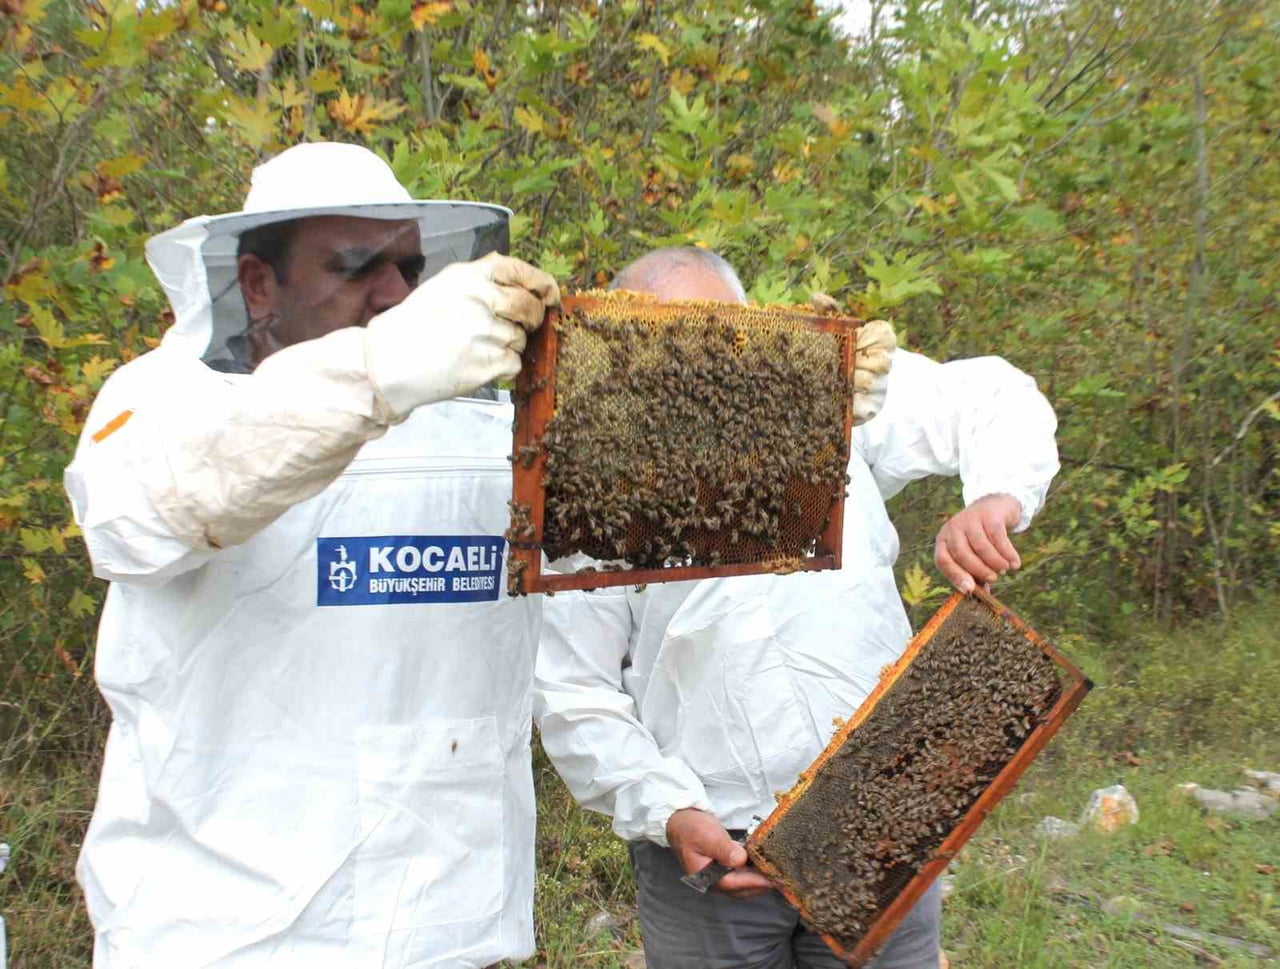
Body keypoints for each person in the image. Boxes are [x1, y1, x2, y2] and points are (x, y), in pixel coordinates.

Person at [63, 142, 560, 968]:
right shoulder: (161, 402)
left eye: (407, 265)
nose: (395, 293)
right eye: (358, 264)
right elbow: (146, 511)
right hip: (226, 934)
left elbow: (633, 557)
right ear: (259, 282)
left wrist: (845, 429)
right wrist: (376, 374)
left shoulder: (486, 435)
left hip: (449, 925)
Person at [534, 246, 1060, 968]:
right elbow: (573, 689)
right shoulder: (593, 490)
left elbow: (995, 398)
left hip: (880, 824)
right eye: (671, 341)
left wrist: (996, 498)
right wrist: (671, 811)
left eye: (724, 334)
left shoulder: (838, 399)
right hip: (709, 858)